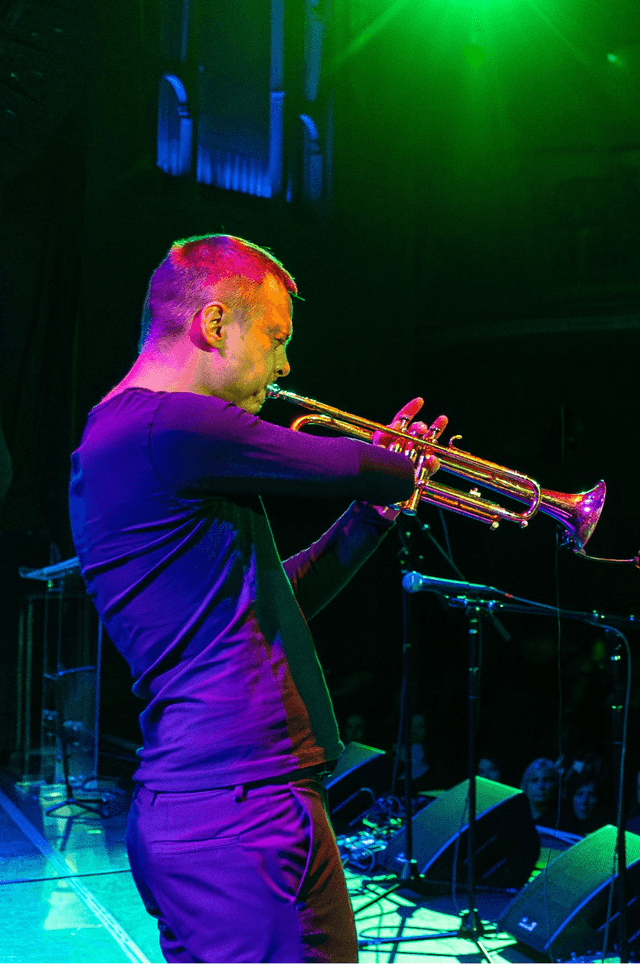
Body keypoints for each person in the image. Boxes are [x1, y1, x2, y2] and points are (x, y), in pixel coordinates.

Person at [68, 234, 446, 964]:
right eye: (275, 338)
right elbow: (346, 463)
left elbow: (276, 602)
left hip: (245, 802)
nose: (285, 366)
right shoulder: (164, 424)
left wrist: (371, 515)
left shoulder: (140, 441)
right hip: (234, 813)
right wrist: (395, 467)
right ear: (214, 325)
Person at [520, 757, 560, 826]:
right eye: (535, 780)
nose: (541, 786)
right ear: (526, 785)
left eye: (546, 780)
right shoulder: (517, 816)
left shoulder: (561, 821)